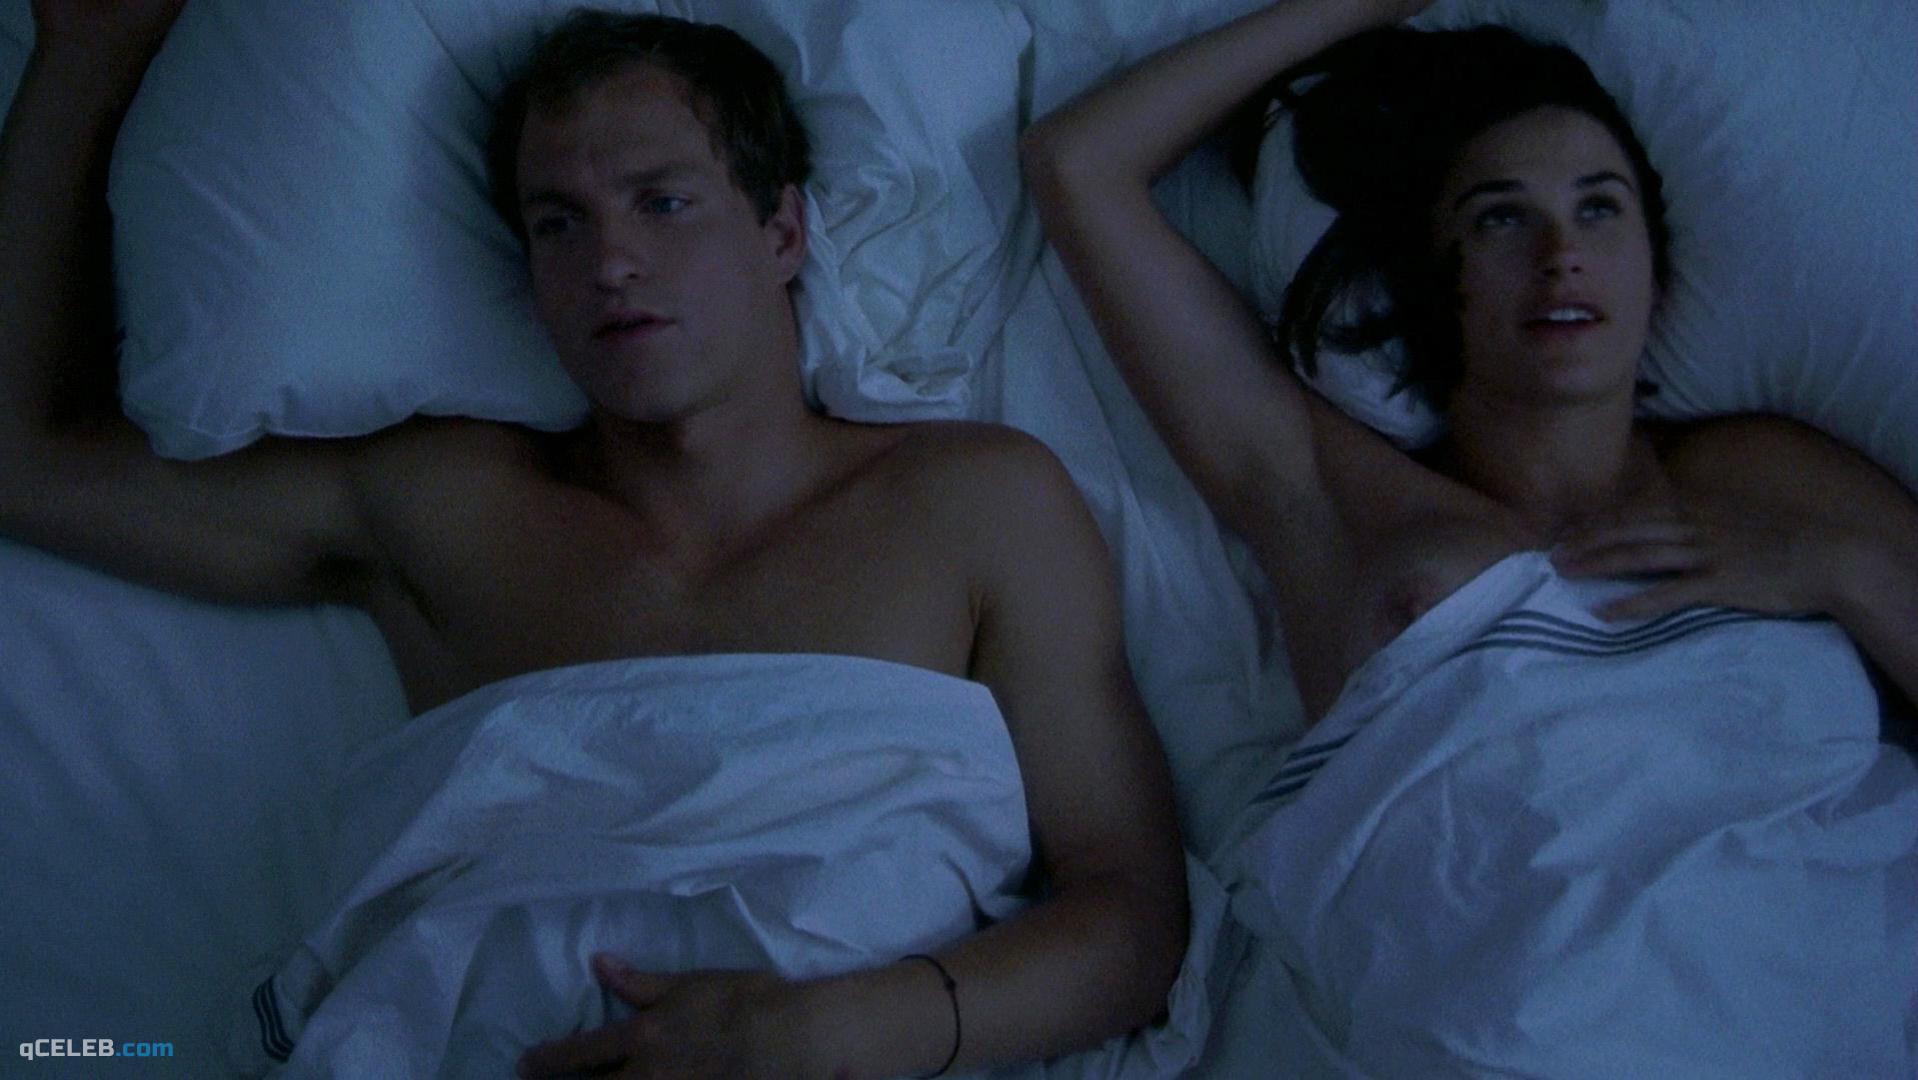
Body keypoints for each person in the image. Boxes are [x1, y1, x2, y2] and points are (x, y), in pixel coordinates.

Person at [0, 2, 1187, 1077]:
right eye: (557, 223)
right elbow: (25, 468)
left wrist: (836, 1032)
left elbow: (1130, 920)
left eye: (661, 202)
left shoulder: (975, 503)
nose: (609, 263)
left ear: (782, 232)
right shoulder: (447, 507)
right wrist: (83, 59)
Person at [1020, 0, 1918, 724]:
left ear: (1656, 265)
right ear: (1430, 276)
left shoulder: (1763, 470)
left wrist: (1850, 575)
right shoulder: (1329, 495)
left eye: (1599, 208)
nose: (1562, 254)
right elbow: (1078, 163)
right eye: (1501, 218)